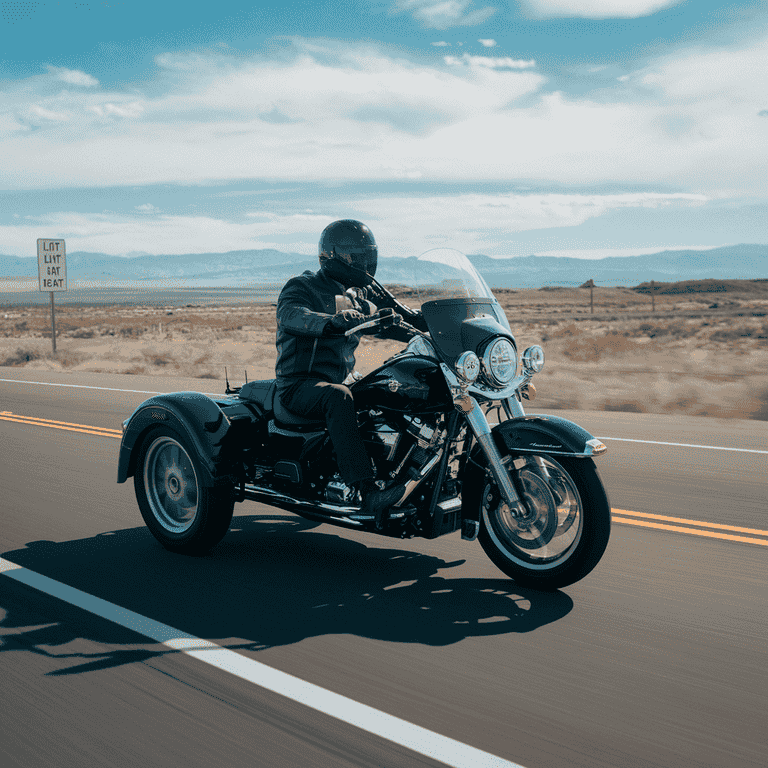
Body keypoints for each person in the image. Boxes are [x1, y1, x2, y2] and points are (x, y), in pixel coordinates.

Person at [274, 219, 427, 528]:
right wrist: (330, 323)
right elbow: (293, 316)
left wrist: (425, 331)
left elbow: (391, 323)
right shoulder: (302, 286)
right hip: (298, 385)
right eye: (356, 256)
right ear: (332, 255)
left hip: (340, 381)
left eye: (367, 255)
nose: (363, 263)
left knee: (389, 388)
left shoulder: (357, 297)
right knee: (338, 396)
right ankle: (368, 492)